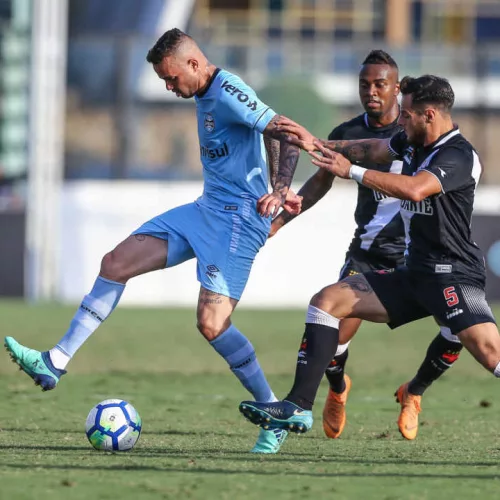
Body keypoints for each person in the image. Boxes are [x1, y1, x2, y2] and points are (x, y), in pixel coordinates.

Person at [4, 28, 302, 454]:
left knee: (211, 324)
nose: (169, 87)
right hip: (205, 210)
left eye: (172, 78)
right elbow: (268, 133)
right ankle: (55, 361)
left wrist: (279, 186)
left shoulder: (229, 88)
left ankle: (273, 414)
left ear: (194, 64)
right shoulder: (202, 94)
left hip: (238, 221)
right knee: (115, 263)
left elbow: (283, 130)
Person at [239, 74, 500, 440]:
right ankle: (297, 406)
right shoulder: (411, 141)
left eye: (406, 114)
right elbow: (375, 149)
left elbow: (414, 190)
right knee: (327, 301)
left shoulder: (458, 154)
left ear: (428, 114)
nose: (400, 119)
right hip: (413, 274)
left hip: (453, 276)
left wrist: (352, 172)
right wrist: (311, 142)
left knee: (492, 356)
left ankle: (413, 392)